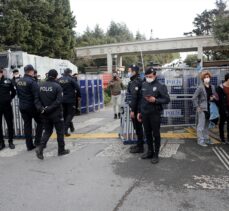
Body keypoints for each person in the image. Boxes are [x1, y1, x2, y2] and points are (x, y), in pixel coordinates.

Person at [137, 67, 170, 164]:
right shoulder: (144, 84)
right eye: (146, 76)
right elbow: (141, 100)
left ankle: (156, 154)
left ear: (155, 75)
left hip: (155, 113)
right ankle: (149, 152)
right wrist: (139, 112)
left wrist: (156, 100)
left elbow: (167, 99)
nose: (148, 78)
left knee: (156, 134)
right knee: (147, 133)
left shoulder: (160, 86)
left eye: (150, 76)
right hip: (145, 113)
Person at [35, 69, 70, 160]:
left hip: (44, 113)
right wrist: (49, 108)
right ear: (55, 76)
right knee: (60, 132)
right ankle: (61, 150)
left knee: (47, 131)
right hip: (56, 114)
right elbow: (58, 101)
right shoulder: (57, 87)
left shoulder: (40, 86)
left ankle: (40, 148)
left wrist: (41, 109)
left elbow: (36, 100)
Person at [16, 64, 43, 150]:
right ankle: (37, 141)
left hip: (22, 106)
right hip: (31, 106)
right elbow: (37, 96)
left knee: (27, 125)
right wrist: (40, 107)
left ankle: (29, 145)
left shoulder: (19, 81)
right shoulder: (32, 82)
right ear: (31, 71)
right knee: (40, 122)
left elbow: (18, 94)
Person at [192, 70, 218, 147]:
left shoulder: (212, 87)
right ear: (203, 78)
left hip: (209, 108)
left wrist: (213, 97)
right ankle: (200, 141)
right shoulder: (200, 87)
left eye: (208, 77)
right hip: (202, 109)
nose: (207, 78)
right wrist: (197, 107)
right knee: (200, 126)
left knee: (207, 125)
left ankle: (206, 139)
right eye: (205, 77)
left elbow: (215, 96)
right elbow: (194, 98)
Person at [127, 65, 144, 153]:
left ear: (134, 72)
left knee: (137, 127)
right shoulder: (139, 80)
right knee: (139, 127)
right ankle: (139, 144)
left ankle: (140, 147)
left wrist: (133, 110)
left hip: (137, 108)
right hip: (139, 108)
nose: (128, 72)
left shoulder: (135, 82)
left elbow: (134, 97)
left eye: (129, 71)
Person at [58, 68, 80, 136]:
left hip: (62, 100)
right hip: (70, 100)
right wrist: (79, 96)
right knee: (71, 114)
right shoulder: (71, 79)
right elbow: (78, 88)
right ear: (70, 73)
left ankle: (71, 127)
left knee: (65, 115)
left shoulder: (60, 79)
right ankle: (65, 129)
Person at [0, 68, 16, 150]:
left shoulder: (8, 81)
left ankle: (10, 141)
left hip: (7, 106)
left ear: (1, 73)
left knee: (10, 124)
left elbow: (14, 92)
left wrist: (9, 98)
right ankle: (1, 143)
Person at [216, 73, 229, 144]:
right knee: (222, 123)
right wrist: (222, 108)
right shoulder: (220, 87)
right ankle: (222, 137)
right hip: (223, 107)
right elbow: (218, 98)